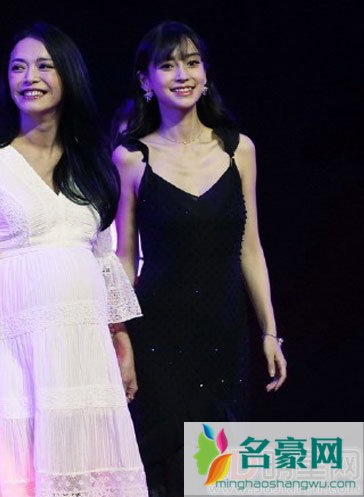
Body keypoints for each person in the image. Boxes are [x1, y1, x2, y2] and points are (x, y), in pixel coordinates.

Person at [0, 22, 148, 497]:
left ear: (68, 75)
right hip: (16, 352)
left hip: (86, 351)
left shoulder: (90, 164)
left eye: (44, 66)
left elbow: (102, 261)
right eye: (18, 67)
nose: (30, 77)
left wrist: (121, 338)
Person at [112, 21, 287, 496]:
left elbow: (251, 248)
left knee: (217, 468)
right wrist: (119, 335)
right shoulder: (131, 158)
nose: (182, 74)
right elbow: (124, 258)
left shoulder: (238, 150)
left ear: (206, 74)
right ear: (146, 81)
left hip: (222, 333)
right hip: (157, 334)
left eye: (191, 62)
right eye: (167, 65)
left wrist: (269, 331)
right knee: (165, 462)